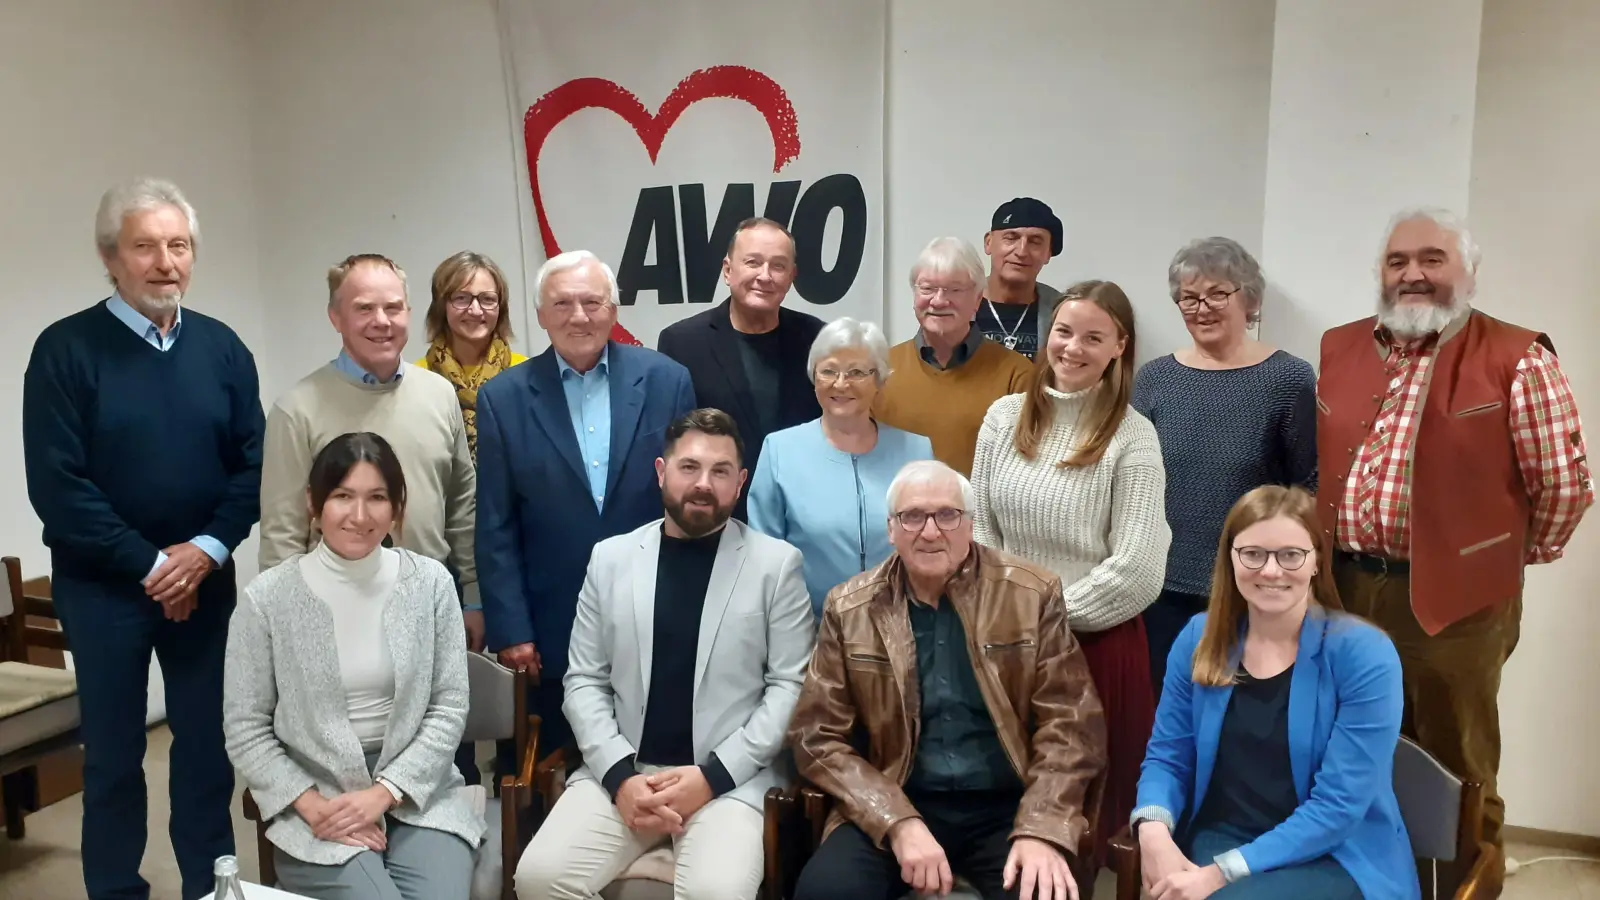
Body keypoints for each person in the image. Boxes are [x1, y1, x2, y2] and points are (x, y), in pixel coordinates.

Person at [1317, 207, 1593, 877]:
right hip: (1343, 587)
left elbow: (1563, 485)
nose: (1413, 274)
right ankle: (1372, 878)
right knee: (1353, 743)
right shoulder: (1338, 345)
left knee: (1453, 760)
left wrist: (1502, 559)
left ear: (1467, 271)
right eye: (1397, 261)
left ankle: (1463, 883)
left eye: (1432, 260)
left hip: (1460, 602)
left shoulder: (1518, 356)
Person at [22, 177, 264, 900]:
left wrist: (206, 553)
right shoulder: (65, 351)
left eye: (178, 245)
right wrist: (156, 565)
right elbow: (59, 490)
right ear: (111, 258)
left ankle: (209, 886)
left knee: (204, 753)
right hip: (103, 591)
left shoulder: (223, 349)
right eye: (146, 246)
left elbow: (253, 467)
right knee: (115, 761)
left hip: (206, 577)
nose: (165, 262)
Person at [514, 409, 814, 900]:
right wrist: (619, 778)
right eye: (689, 467)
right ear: (661, 472)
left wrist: (712, 778)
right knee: (539, 879)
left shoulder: (775, 567)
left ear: (740, 483)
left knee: (716, 892)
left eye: (720, 472)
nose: (703, 484)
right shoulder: (610, 559)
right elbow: (584, 680)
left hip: (726, 782)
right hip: (624, 773)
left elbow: (789, 689)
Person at [791, 459, 1107, 900]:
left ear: (970, 524)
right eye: (913, 516)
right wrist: (897, 821)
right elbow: (817, 737)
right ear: (891, 529)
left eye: (947, 515)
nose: (931, 531)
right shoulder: (849, 608)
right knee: (825, 892)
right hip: (896, 795)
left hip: (1007, 806)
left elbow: (1072, 725)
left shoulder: (1032, 595)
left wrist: (1040, 826)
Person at [224, 433, 482, 900]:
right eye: (342, 496)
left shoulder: (431, 585)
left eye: (376, 498)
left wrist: (383, 793)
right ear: (313, 503)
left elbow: (448, 706)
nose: (359, 516)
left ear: (397, 507)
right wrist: (311, 805)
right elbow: (246, 728)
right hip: (318, 798)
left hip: (419, 791)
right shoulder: (267, 600)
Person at [1132, 485, 1417, 900]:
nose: (1270, 571)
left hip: (1335, 854)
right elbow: (1168, 756)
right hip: (1223, 837)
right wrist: (1153, 831)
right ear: (1230, 559)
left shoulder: (1364, 654)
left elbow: (1337, 808)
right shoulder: (1199, 638)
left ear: (1317, 560)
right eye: (1253, 554)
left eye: (1290, 554)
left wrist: (1218, 875)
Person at [971, 280, 1169, 865]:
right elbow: (980, 531)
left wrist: (1041, 617)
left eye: (1093, 337)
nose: (1073, 348)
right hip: (1003, 645)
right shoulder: (1004, 417)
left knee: (1086, 824)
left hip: (1095, 649)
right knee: (1010, 815)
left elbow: (1137, 568)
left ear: (1118, 346)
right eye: (1063, 331)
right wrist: (1009, 618)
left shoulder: (1133, 435)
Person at [476, 249, 696, 756]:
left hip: (656, 610)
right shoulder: (503, 398)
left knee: (658, 760)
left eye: (593, 302)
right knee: (555, 766)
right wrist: (511, 628)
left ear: (614, 311)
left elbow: (689, 504)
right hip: (551, 624)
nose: (579, 316)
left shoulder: (668, 381)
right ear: (540, 315)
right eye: (563, 304)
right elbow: (495, 523)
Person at [258, 253, 482, 648]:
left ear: (409, 313)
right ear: (335, 318)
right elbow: (283, 536)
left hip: (431, 609)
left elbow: (462, 507)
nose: (382, 321)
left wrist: (474, 598)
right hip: (335, 616)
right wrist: (292, 629)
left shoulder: (439, 394)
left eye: (393, 308)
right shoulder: (296, 410)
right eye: (364, 308)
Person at [1133, 237, 1317, 697]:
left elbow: (1307, 485)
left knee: (1243, 721)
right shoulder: (1155, 379)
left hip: (1252, 588)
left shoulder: (1287, 377)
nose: (1202, 308)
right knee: (1169, 716)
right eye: (1189, 298)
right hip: (1161, 590)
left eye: (1218, 293)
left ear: (1250, 299)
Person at [747, 317, 934, 614]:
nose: (841, 383)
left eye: (857, 372)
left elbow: (931, 546)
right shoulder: (779, 450)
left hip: (902, 626)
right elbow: (763, 560)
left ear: (880, 380)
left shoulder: (916, 451)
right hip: (807, 630)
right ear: (814, 378)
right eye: (829, 371)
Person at [658, 217, 827, 520]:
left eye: (778, 266)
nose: (765, 276)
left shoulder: (817, 338)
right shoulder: (681, 342)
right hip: (716, 517)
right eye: (753, 262)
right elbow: (674, 442)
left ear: (792, 276)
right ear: (727, 270)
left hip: (804, 514)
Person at [875, 237, 1033, 476]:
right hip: (897, 512)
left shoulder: (1017, 375)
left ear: (978, 299)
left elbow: (1026, 470)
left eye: (954, 290)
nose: (938, 300)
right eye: (927, 288)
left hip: (979, 514)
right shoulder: (879, 370)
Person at [416, 250, 529, 461]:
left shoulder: (528, 375)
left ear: (501, 308)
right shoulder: (418, 379)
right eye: (462, 298)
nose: (475, 310)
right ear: (442, 306)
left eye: (487, 299)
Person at [977, 197, 1063, 360]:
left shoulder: (1060, 312)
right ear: (988, 243)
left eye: (1035, 242)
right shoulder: (956, 304)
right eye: (1011, 238)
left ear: (1048, 253)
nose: (1022, 251)